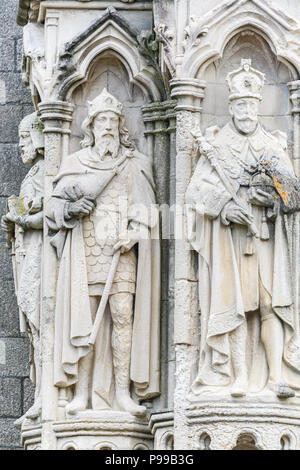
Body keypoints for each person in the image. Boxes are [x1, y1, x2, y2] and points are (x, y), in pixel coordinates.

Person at [186, 59, 300, 399]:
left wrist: (271, 198)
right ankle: (238, 376)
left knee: (268, 303)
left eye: (252, 104)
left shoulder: (272, 146)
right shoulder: (217, 147)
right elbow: (195, 192)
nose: (246, 110)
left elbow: (292, 196)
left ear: (258, 105)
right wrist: (224, 207)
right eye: (240, 104)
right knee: (234, 304)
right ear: (232, 107)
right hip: (230, 240)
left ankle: (275, 376)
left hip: (266, 238)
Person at [47, 89, 160, 416]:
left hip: (121, 254)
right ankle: (81, 393)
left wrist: (134, 232)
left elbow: (150, 210)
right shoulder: (75, 164)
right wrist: (71, 209)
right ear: (91, 126)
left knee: (123, 316)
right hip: (86, 251)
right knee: (85, 318)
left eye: (113, 121)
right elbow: (52, 208)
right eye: (102, 121)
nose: (108, 127)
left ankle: (122, 394)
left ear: (121, 126)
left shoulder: (134, 164)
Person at [1, 112, 44, 420]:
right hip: (26, 255)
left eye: (26, 138)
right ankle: (42, 393)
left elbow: (53, 214)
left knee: (43, 325)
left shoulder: (46, 174)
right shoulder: (33, 176)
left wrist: (23, 219)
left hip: (41, 258)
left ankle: (46, 396)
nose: (20, 146)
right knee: (34, 328)